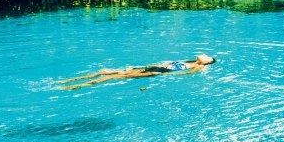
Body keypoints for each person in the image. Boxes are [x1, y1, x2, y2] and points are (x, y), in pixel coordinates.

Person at [59, 54, 216, 89]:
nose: (205, 55)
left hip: (159, 72)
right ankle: (68, 82)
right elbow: (168, 63)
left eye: (208, 57)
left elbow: (185, 74)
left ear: (207, 62)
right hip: (154, 68)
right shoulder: (189, 61)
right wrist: (147, 65)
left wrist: (164, 75)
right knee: (105, 71)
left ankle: (74, 85)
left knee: (112, 76)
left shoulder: (199, 66)